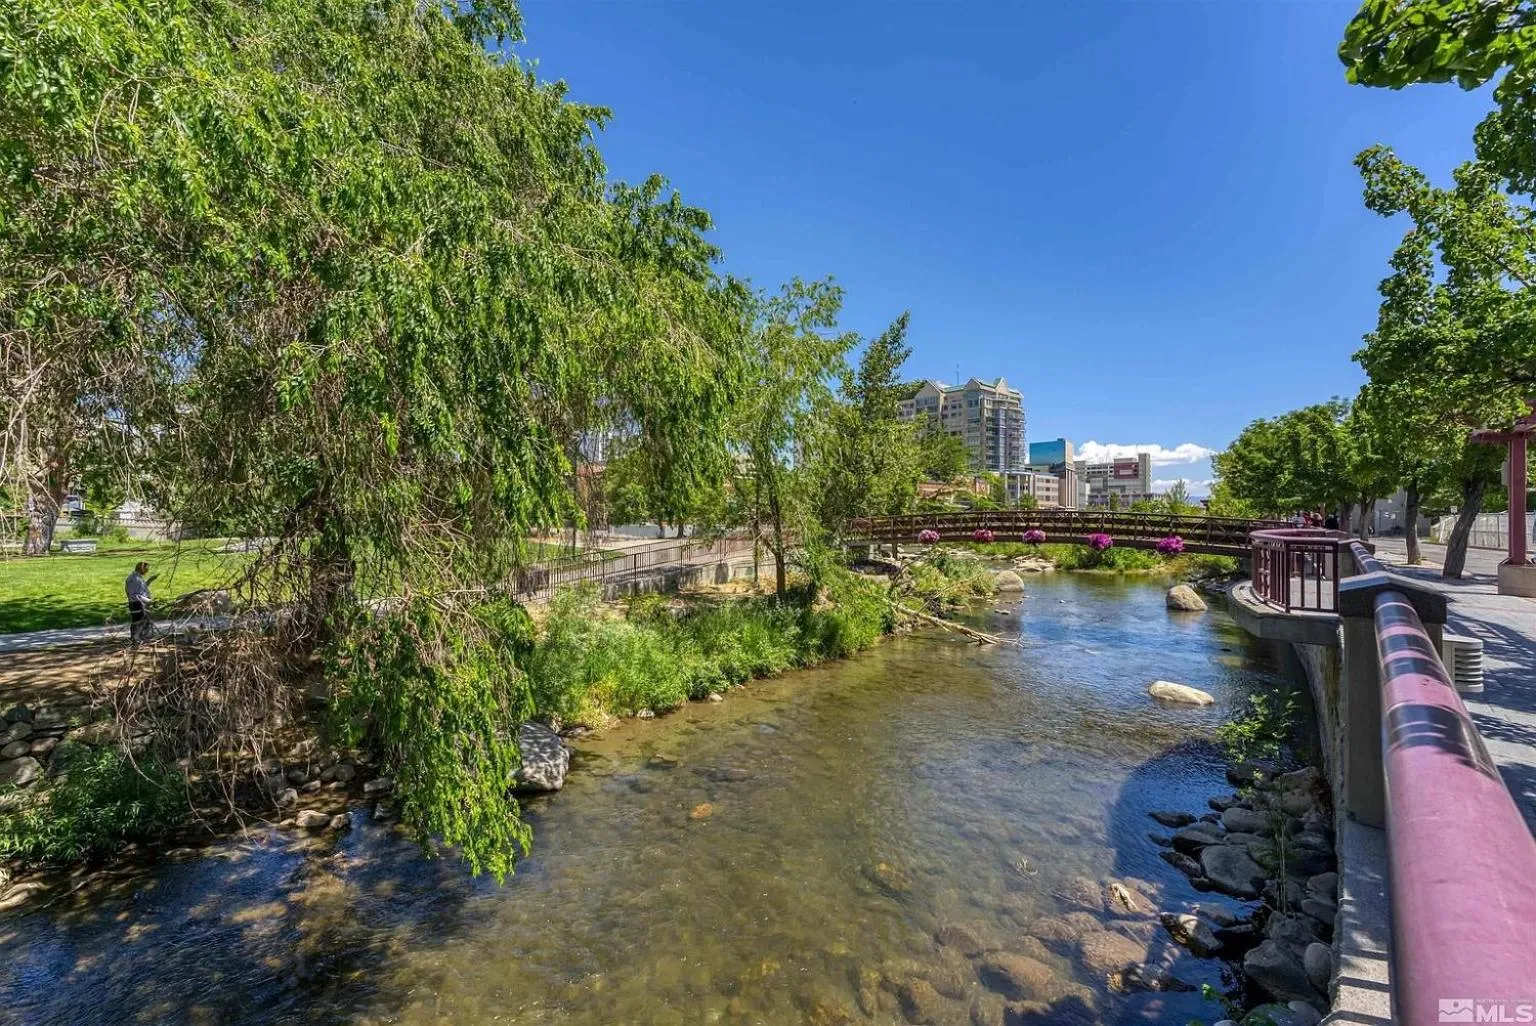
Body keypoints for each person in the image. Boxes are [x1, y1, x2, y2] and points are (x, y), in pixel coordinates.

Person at [125, 561, 156, 644]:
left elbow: (141, 589)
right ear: (141, 568)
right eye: (146, 569)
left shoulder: (137, 577)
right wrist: (149, 601)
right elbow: (135, 595)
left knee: (142, 621)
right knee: (139, 621)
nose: (147, 571)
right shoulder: (134, 579)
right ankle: (136, 639)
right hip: (136, 603)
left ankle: (140, 638)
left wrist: (150, 580)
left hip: (139, 603)